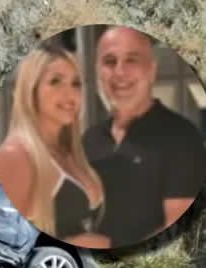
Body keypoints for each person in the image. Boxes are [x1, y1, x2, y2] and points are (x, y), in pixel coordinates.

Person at [82, 26, 206, 248]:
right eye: (109, 62)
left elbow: (174, 227)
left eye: (131, 60)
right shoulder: (90, 139)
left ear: (151, 70)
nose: (119, 72)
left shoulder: (180, 137)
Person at [0, 43, 110, 248]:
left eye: (75, 83)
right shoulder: (17, 154)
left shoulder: (70, 154)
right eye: (55, 82)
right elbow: (6, 233)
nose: (69, 94)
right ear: (32, 90)